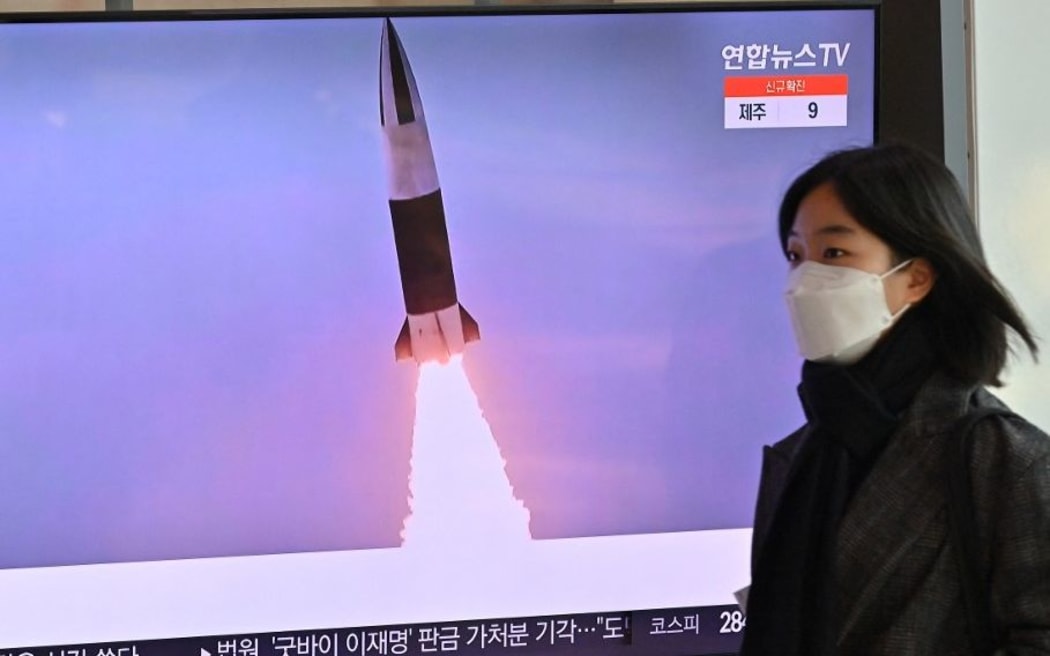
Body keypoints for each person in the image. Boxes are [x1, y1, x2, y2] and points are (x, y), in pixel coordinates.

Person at [739, 142, 1050, 655]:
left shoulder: (1002, 459)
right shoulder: (803, 453)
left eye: (835, 253)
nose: (803, 280)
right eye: (796, 255)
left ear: (917, 278)